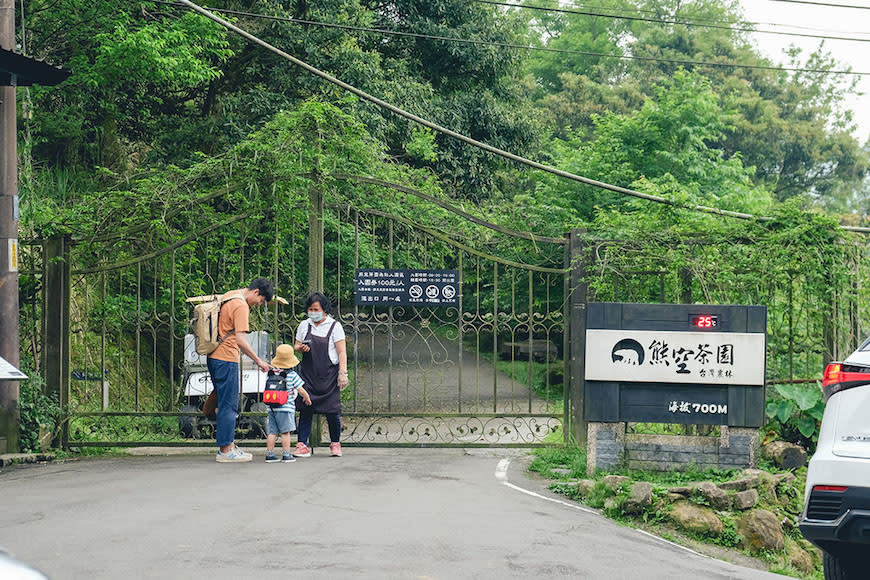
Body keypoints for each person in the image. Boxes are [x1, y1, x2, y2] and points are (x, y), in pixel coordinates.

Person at [208, 278, 274, 463]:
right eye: (260, 301)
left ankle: (227, 445)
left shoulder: (229, 296)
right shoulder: (241, 305)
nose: (258, 305)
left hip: (214, 355)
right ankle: (226, 450)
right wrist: (259, 361)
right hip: (226, 357)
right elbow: (241, 340)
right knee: (229, 404)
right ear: (256, 292)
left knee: (224, 401)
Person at [293, 292, 349, 457]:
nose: (312, 312)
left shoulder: (334, 326)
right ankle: (302, 444)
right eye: (310, 309)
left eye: (316, 309)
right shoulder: (304, 325)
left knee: (332, 412)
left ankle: (335, 443)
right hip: (308, 374)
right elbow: (296, 345)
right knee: (305, 409)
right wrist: (300, 348)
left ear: (324, 310)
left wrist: (343, 373)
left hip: (329, 376)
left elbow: (342, 352)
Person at [264, 344, 311, 463]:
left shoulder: (271, 374)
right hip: (286, 408)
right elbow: (300, 389)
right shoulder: (292, 375)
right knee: (285, 432)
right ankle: (286, 454)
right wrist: (307, 398)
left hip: (272, 408)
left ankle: (270, 455)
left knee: (272, 432)